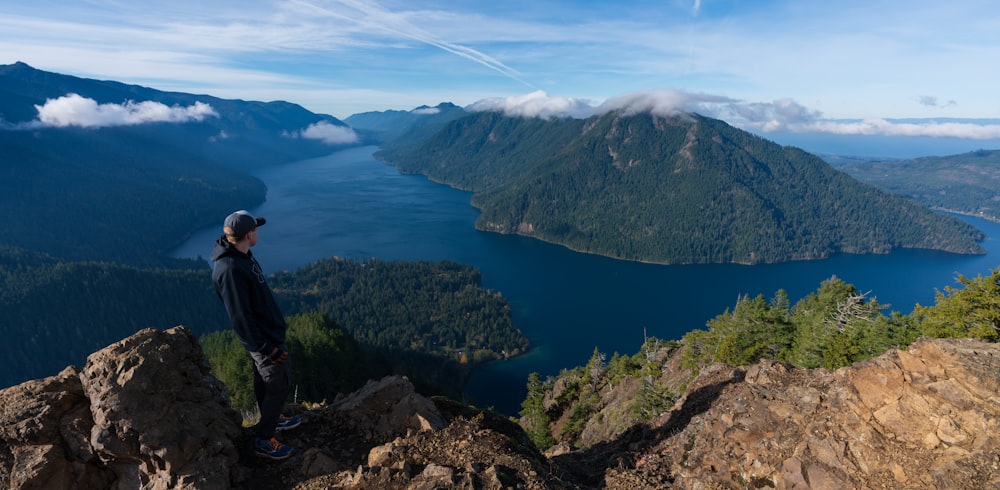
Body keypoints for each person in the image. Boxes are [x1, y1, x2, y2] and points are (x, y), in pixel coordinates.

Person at [211, 210, 301, 460]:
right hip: (262, 340)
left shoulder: (241, 256)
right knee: (277, 382)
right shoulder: (230, 268)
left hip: (266, 335)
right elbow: (240, 317)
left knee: (265, 381)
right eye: (256, 229)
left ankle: (272, 417)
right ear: (249, 234)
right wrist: (266, 348)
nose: (258, 233)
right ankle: (263, 439)